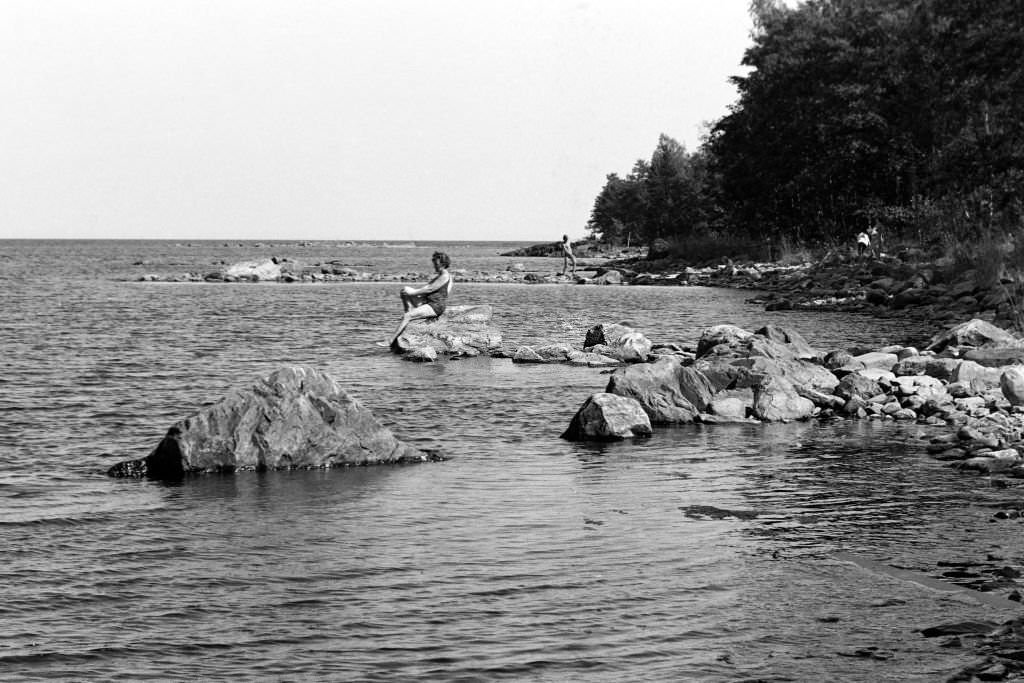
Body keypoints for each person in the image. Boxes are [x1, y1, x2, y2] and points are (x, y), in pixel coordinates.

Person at [382, 251, 453, 347]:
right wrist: (414, 294)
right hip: (427, 302)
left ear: (443, 264)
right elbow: (431, 289)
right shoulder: (441, 276)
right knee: (404, 291)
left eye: (436, 264)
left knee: (407, 315)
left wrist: (413, 292)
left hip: (435, 306)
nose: (434, 266)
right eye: (434, 263)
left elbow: (430, 289)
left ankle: (390, 341)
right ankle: (408, 317)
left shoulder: (444, 275)